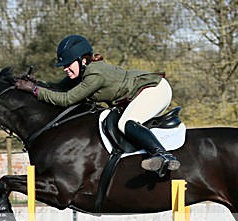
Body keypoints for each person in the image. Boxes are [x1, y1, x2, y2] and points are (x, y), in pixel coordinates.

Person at [15, 34, 180, 177]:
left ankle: (164, 155)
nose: (65, 69)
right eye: (63, 66)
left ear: (83, 60)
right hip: (142, 92)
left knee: (126, 123)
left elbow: (66, 99)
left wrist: (34, 90)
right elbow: (59, 88)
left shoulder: (94, 74)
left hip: (156, 90)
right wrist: (36, 83)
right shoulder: (83, 72)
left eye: (68, 64)